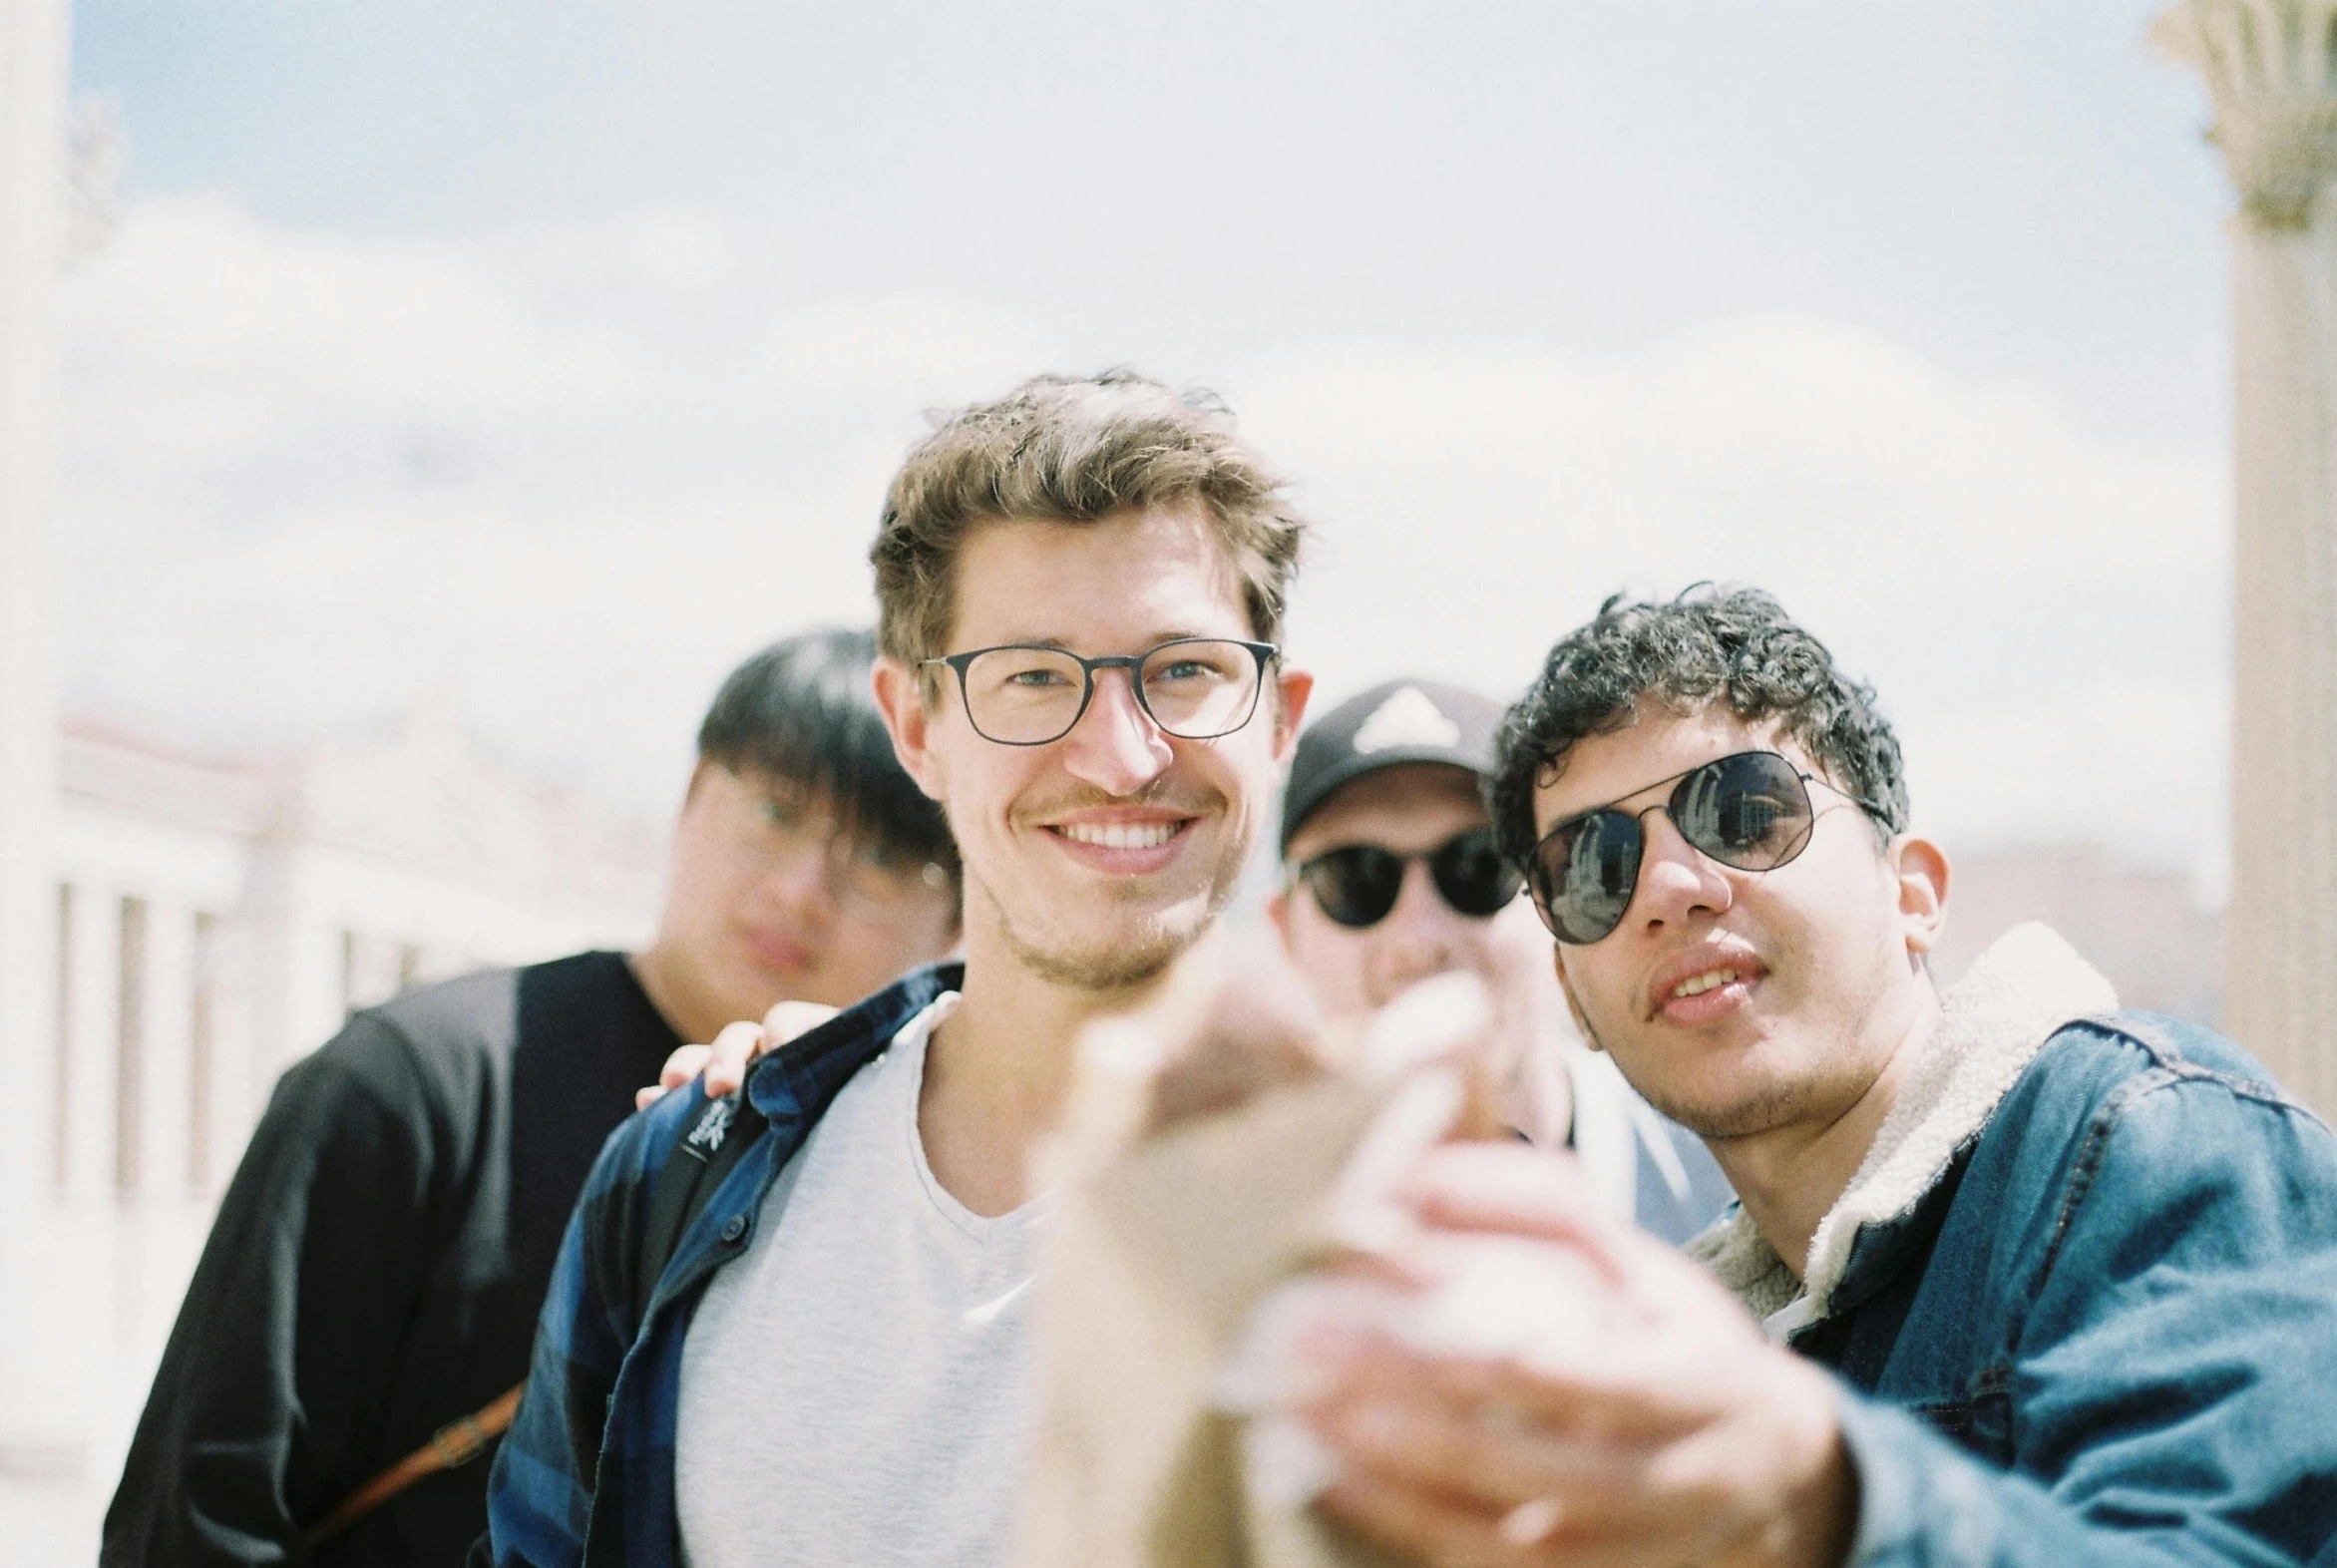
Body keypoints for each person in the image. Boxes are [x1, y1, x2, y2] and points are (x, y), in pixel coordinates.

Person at [1279, 587, 2337, 1566]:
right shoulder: (1700, 1336)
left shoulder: (2150, 1147)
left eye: (1743, 811)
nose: (1671, 890)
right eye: (1594, 868)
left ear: (1914, 891)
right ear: (1574, 990)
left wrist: (1832, 1499)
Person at [479, 369, 1314, 1568]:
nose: (1123, 756)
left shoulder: (1414, 1218)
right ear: (917, 727)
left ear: (1277, 720)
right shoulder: (688, 1177)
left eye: (1184, 671)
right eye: (1034, 676)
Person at [103, 629, 961, 1568]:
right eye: (770, 809)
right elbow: (191, 1521)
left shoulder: (922, 1192)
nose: (802, 890)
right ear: (685, 802)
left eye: (883, 856)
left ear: (960, 918)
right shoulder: (413, 1086)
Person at [1269, 675, 1731, 1242]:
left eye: (1477, 866)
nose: (1420, 939)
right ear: (1283, 930)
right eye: (1356, 879)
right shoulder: (1227, 1238)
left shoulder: (1722, 1173)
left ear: (1560, 899)